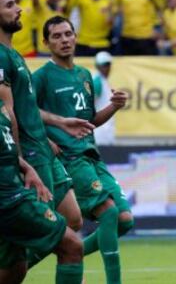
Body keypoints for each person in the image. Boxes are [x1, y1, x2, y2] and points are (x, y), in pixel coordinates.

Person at [32, 15, 134, 284]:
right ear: (46, 42)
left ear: (75, 37)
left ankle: (68, 252)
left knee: (124, 220)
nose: (64, 40)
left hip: (92, 155)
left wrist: (114, 106)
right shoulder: (41, 77)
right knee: (109, 212)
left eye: (68, 34)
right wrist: (47, 140)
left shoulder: (84, 75)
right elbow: (26, 112)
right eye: (57, 36)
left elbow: (89, 122)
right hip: (69, 157)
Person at [0, 0, 87, 268]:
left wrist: (59, 122)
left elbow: (25, 108)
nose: (19, 8)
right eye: (10, 5)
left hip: (41, 148)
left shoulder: (13, 53)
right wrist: (21, 161)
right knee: (61, 237)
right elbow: (7, 112)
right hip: (30, 155)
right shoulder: (0, 56)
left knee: (72, 219)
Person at [0, 100, 84, 284]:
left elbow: (8, 148)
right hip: (9, 201)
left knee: (15, 269)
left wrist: (27, 169)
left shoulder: (2, 106)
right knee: (72, 245)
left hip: (13, 191)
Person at [93, 51, 116, 145]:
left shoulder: (103, 81)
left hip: (106, 131)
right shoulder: (97, 81)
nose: (107, 68)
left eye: (108, 64)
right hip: (99, 134)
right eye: (104, 65)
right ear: (98, 66)